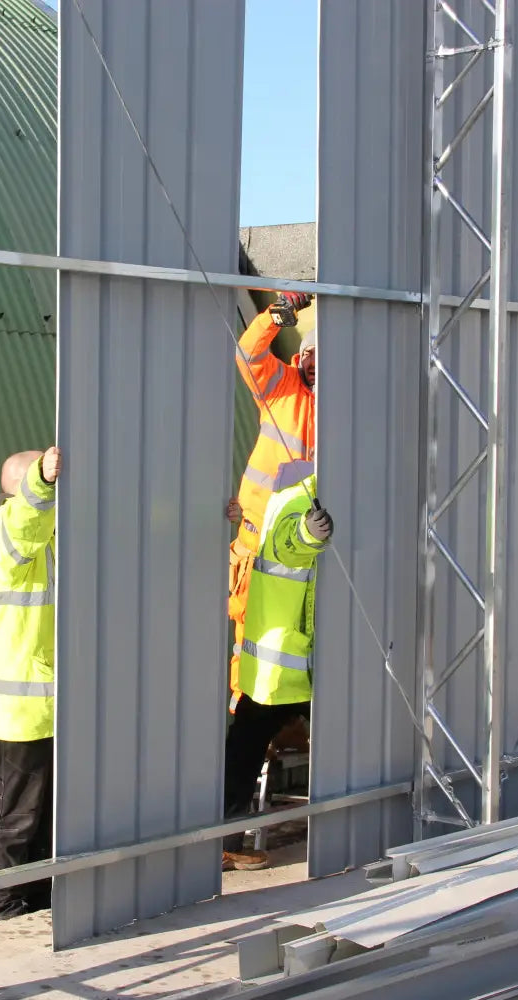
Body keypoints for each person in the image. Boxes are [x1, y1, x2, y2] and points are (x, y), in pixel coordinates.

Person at [221, 466, 333, 871]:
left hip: (291, 664)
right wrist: (308, 532)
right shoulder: (299, 500)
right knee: (246, 751)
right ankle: (225, 841)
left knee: (245, 750)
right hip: (286, 666)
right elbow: (288, 542)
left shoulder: (294, 492)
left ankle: (226, 840)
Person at [0, 445, 60, 923]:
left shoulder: (47, 541)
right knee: (15, 818)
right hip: (24, 709)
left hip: (47, 706)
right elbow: (29, 516)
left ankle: (36, 903)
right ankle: (1, 908)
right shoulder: (10, 530)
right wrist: (42, 483)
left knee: (44, 817)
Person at [228, 291, 317, 712]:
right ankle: (247, 711)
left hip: (312, 546)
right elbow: (247, 355)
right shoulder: (281, 386)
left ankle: (293, 721)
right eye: (312, 353)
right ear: (301, 357)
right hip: (261, 542)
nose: (317, 364)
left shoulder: (346, 408)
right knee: (254, 637)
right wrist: (276, 316)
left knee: (306, 636)